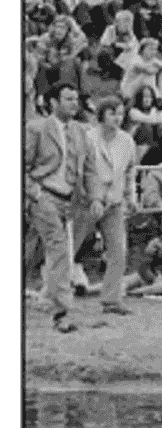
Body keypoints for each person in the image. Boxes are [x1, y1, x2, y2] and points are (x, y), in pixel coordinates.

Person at [24, 82, 87, 332]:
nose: (74, 103)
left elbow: (86, 166)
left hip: (67, 199)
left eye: (76, 98)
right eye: (68, 98)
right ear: (53, 102)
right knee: (59, 248)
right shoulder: (36, 127)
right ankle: (62, 313)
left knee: (40, 252)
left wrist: (90, 196)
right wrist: (34, 192)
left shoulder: (80, 130)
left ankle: (48, 298)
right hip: (44, 196)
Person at [75, 93, 140, 316]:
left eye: (121, 113)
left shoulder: (127, 140)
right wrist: (88, 196)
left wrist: (132, 198)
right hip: (87, 202)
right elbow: (80, 170)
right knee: (68, 248)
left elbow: (131, 172)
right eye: (113, 113)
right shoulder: (88, 137)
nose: (118, 117)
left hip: (114, 202)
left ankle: (111, 300)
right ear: (101, 115)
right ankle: (52, 294)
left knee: (118, 252)